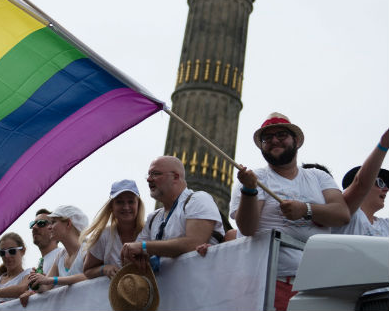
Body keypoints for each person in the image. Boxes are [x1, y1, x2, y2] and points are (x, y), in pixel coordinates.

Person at [230, 112, 350, 311]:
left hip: (319, 284)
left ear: (296, 141)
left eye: (281, 135)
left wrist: (306, 209)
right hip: (271, 281)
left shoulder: (318, 177)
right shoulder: (257, 178)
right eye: (267, 138)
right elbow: (247, 228)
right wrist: (249, 190)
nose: (274, 140)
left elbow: (341, 214)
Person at [120, 155, 224, 271]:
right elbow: (132, 255)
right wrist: (132, 256)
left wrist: (144, 247)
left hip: (201, 286)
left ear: (175, 177)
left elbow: (194, 243)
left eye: (155, 174)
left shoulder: (198, 199)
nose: (149, 179)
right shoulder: (153, 218)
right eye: (149, 175)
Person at [20, 205, 89, 306]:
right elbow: (47, 286)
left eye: (53, 222)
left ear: (68, 223)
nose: (49, 227)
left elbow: (90, 275)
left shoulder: (87, 249)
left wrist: (51, 280)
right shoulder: (61, 255)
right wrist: (37, 282)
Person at [81, 179, 146, 279]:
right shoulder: (103, 235)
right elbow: (87, 271)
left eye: (131, 201)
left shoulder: (149, 231)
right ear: (112, 206)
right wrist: (104, 269)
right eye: (119, 202)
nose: (126, 207)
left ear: (138, 204)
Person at [333, 129, 389, 236]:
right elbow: (360, 184)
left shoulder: (386, 226)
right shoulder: (343, 212)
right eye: (380, 183)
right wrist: (383, 145)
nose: (386, 189)